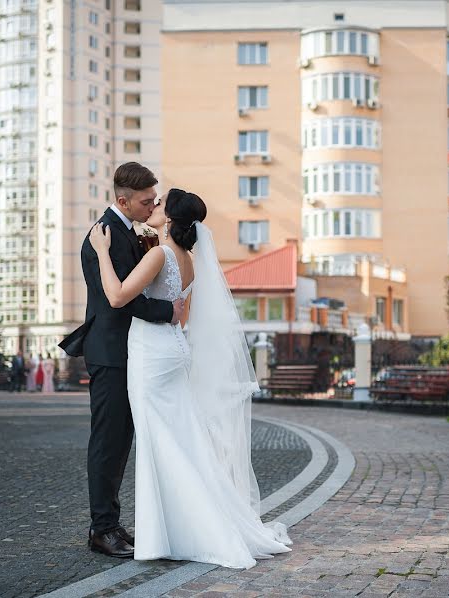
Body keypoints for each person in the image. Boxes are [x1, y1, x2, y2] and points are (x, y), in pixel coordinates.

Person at [88, 187, 291, 569]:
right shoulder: (189, 261)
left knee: (160, 445)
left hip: (150, 358)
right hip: (173, 352)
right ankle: (186, 527)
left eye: (159, 203)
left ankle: (174, 532)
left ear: (171, 218)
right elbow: (180, 316)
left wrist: (101, 250)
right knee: (182, 441)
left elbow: (116, 297)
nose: (154, 206)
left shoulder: (160, 255)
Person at [59, 162, 183, 559]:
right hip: (111, 355)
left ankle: (112, 522)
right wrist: (169, 313)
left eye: (155, 200)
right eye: (146, 202)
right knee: (108, 443)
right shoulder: (104, 236)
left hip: (132, 353)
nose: (153, 206)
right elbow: (122, 302)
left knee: (123, 441)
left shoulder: (131, 232)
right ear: (123, 200)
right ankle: (102, 529)